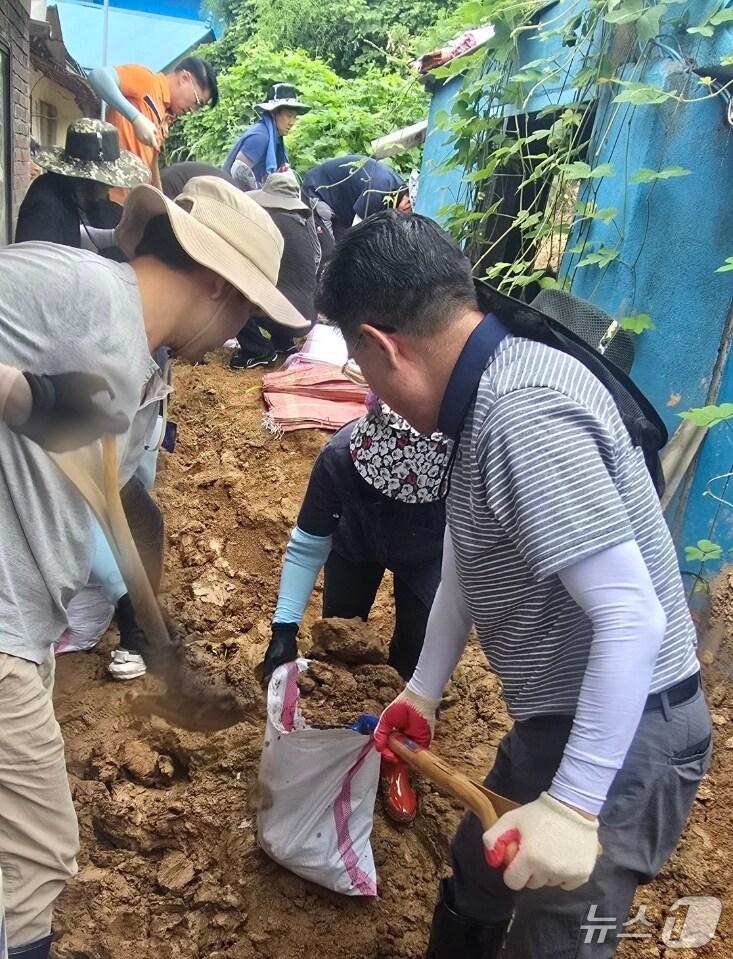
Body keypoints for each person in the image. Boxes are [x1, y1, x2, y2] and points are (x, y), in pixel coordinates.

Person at [315, 211, 711, 959]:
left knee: (553, 940)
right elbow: (473, 549)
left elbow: (632, 617)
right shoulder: (484, 396)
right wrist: (422, 690)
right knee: (478, 871)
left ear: (379, 344)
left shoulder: (520, 411)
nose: (369, 387)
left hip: (630, 729)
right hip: (559, 718)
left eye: (358, 366)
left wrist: (574, 804)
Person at [0, 175, 307, 959]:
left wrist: (166, 649)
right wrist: (22, 394)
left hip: (24, 629)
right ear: (216, 281)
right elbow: (43, 406)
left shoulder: (139, 356)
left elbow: (124, 497)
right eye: (245, 309)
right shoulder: (76, 288)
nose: (239, 333)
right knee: (36, 856)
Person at [259, 397, 449, 820]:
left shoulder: (461, 471)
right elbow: (308, 546)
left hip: (430, 550)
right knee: (342, 645)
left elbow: (465, 583)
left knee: (416, 654)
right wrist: (284, 629)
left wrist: (429, 682)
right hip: (355, 542)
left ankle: (397, 758)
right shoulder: (339, 460)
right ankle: (342, 742)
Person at [88, 56, 218, 193]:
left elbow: (151, 162)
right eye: (197, 102)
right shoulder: (147, 80)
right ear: (184, 78)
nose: (193, 110)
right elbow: (98, 76)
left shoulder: (167, 115)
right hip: (109, 193)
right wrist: (136, 118)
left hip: (131, 201)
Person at [231, 171, 319, 369]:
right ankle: (282, 342)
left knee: (233, 294)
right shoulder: (297, 225)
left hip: (288, 314)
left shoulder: (270, 224)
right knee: (283, 287)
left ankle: (258, 351)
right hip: (307, 315)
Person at [15, 119, 149, 248]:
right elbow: (37, 263)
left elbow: (74, 234)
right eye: (105, 180)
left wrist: (115, 237)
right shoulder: (46, 204)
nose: (111, 186)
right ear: (88, 180)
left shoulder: (73, 194)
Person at [302, 154, 411, 240]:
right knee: (328, 255)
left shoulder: (397, 190)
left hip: (341, 208)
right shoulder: (379, 191)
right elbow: (356, 234)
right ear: (407, 203)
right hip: (318, 192)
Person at [223, 82, 309, 190]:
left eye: (294, 117)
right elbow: (239, 170)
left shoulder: (275, 137)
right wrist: (257, 194)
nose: (292, 122)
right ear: (273, 113)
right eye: (289, 116)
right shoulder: (260, 136)